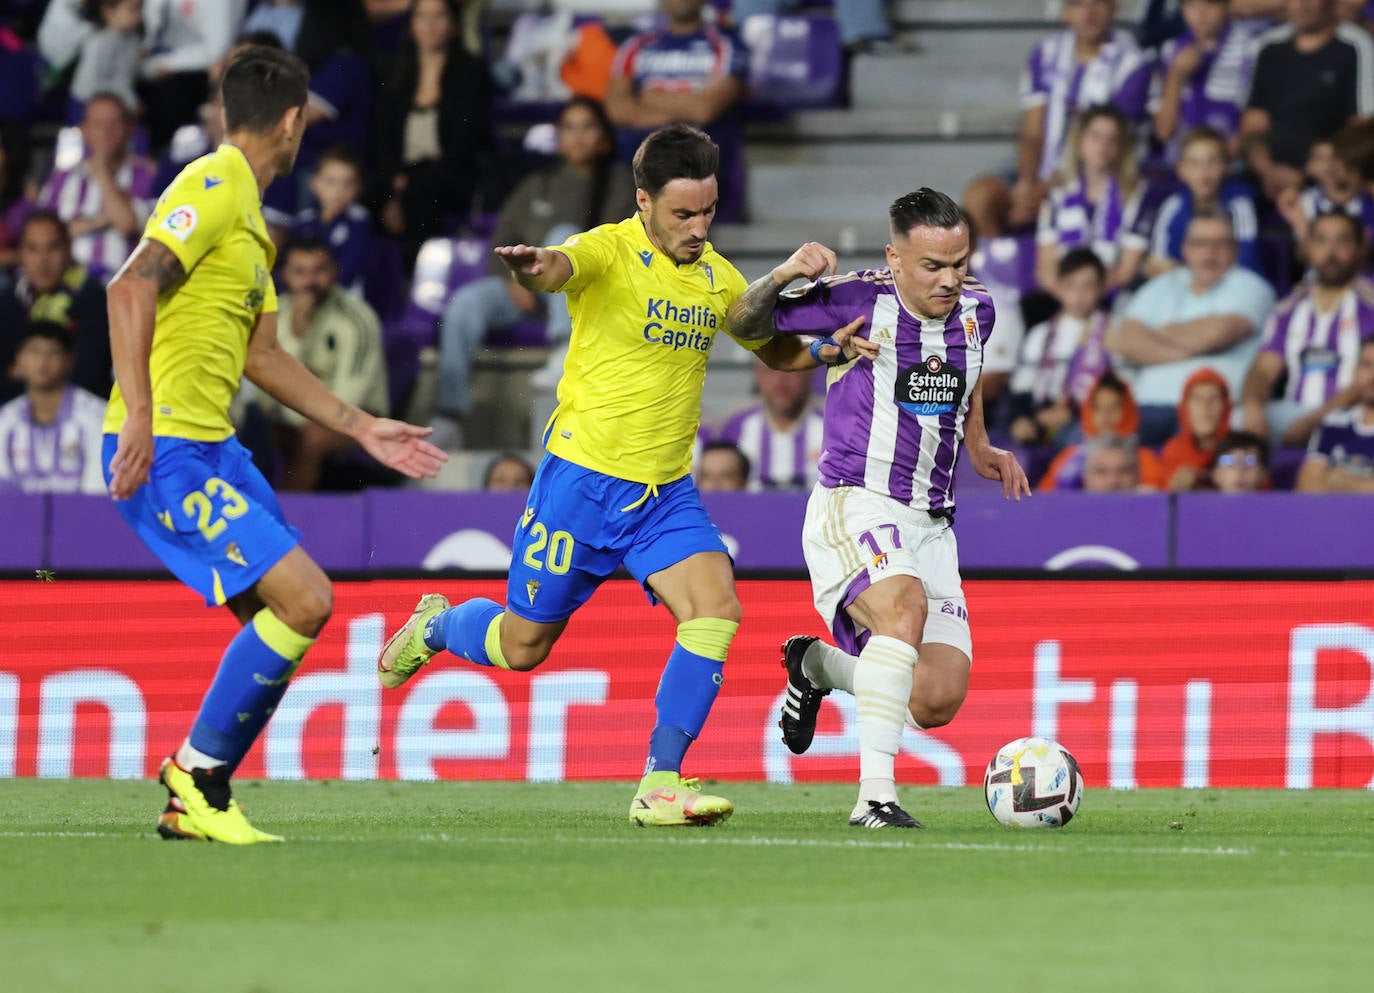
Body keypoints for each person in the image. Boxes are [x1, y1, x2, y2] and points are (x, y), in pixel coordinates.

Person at [375, 124, 865, 828]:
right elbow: (555, 269)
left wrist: (821, 350)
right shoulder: (608, 249)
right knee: (522, 647)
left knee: (717, 609)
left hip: (664, 494)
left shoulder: (716, 277)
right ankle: (439, 625)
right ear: (643, 201)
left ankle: (659, 779)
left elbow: (770, 347)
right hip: (580, 485)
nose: (698, 229)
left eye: (708, 212)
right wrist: (530, 267)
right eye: (683, 215)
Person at [102, 46, 445, 845]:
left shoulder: (252, 220)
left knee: (287, 614)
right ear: (294, 122)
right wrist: (141, 415)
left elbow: (264, 356)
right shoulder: (212, 186)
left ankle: (199, 788)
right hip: (170, 447)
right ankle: (198, 776)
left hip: (213, 447)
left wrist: (360, 424)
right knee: (307, 597)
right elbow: (129, 286)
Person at [726, 188, 1031, 829]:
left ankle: (818, 664)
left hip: (932, 522)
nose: (950, 280)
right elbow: (743, 325)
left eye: (959, 262)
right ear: (894, 258)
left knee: (937, 698)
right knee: (903, 611)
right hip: (856, 502)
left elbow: (964, 382)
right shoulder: (855, 299)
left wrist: (978, 445)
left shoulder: (980, 311)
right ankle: (874, 799)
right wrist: (783, 276)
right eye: (932, 266)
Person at [430, 97, 636, 447]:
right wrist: (515, 280)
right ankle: (448, 414)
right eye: (569, 128)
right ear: (558, 137)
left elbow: (623, 250)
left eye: (588, 127)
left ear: (603, 136)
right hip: (529, 288)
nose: (578, 136)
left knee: (562, 239)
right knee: (466, 302)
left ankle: (562, 347)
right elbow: (502, 239)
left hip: (587, 295)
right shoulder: (536, 184)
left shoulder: (621, 184)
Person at [963, 0, 1150, 233]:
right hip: (1043, 167)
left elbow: (1107, 146)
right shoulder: (1045, 53)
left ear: (1114, 7)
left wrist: (1042, 191)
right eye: (1078, 4)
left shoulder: (1133, 64)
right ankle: (996, 268)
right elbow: (1032, 132)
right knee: (980, 197)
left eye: (1098, 3)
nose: (1088, 12)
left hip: (1098, 171)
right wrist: (1026, 184)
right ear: (1065, 12)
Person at [1108, 209, 1274, 444]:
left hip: (1219, 413)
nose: (1209, 252)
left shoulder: (1252, 286)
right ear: (1185, 249)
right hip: (1148, 407)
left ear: (1236, 250)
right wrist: (1193, 348)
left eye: (1221, 244)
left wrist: (1157, 335)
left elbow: (1220, 333)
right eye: (1200, 243)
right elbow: (1125, 341)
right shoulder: (1161, 286)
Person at [259, 237, 390, 492]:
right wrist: (298, 329)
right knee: (248, 432)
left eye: (319, 271)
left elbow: (349, 397)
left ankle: (292, 518)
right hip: (291, 417)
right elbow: (264, 394)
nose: (309, 282)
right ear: (284, 274)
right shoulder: (275, 314)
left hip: (356, 417)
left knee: (311, 439)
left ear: (334, 271)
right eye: (299, 272)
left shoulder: (356, 319)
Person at [605, 0, 749, 223]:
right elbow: (618, 109)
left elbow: (705, 110)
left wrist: (649, 97)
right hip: (640, 156)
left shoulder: (726, 43)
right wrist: (683, 106)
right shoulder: (636, 45)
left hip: (698, 157)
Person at [1240, 211, 1374, 445]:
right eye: (1321, 241)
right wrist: (1251, 407)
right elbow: (1263, 369)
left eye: (1342, 241)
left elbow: (1368, 380)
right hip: (1295, 412)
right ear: (1308, 247)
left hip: (1354, 413)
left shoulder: (1370, 302)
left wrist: (1315, 420)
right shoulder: (1291, 306)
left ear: (1360, 247)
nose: (1331, 252)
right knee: (1235, 422)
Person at [373, 0, 494, 257]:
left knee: (420, 192)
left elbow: (466, 145)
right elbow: (382, 140)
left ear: (454, 25)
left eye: (438, 16)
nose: (429, 25)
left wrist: (407, 180)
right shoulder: (394, 73)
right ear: (412, 24)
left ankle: (417, 279)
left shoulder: (471, 73)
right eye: (422, 17)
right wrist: (395, 180)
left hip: (449, 175)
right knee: (364, 193)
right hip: (401, 176)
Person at [1240, 0, 1374, 205]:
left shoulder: (1355, 44)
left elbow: (1363, 126)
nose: (1302, 4)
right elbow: (1253, 128)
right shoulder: (1269, 47)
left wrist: (1310, 173)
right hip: (1267, 179)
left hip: (1332, 179)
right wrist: (1268, 171)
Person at [37, 92, 156, 284]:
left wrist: (102, 172)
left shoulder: (145, 175)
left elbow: (127, 224)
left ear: (128, 129)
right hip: (67, 281)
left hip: (123, 283)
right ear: (85, 130)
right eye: (98, 125)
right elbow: (44, 233)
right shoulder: (62, 177)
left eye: (114, 124)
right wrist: (102, 220)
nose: (106, 132)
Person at [1035, 104, 1151, 298]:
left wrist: (1086, 296)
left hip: (1113, 298)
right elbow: (1046, 270)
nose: (1103, 146)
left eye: (1112, 139)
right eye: (1095, 137)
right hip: (1063, 298)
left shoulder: (1136, 196)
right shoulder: (1056, 196)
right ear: (1080, 141)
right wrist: (1072, 298)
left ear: (1122, 147)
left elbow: (1126, 271)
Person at [0, 211, 112, 404]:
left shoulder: (92, 297)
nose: (43, 260)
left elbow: (89, 375)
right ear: (21, 254)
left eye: (52, 248)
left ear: (69, 249)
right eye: (32, 249)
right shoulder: (8, 300)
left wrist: (26, 373)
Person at [1007, 248, 1111, 447]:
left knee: (1075, 436)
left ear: (1101, 289)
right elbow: (1021, 387)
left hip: (1085, 417)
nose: (1079, 295)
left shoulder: (1111, 333)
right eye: (1071, 286)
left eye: (1088, 286)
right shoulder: (1041, 333)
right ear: (1060, 288)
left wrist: (1072, 412)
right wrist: (1021, 419)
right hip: (1040, 414)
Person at [0, 320, 107, 495]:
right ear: (18, 359)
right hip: (14, 520)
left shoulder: (98, 417)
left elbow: (98, 494)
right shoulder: (4, 421)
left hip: (84, 519)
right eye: (35, 352)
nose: (43, 362)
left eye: (53, 352)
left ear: (70, 360)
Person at [1151, 0, 1258, 163]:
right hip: (1180, 165)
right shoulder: (1170, 50)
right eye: (1191, 4)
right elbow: (1163, 132)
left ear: (1227, 6)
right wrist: (1176, 77)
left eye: (1210, 3)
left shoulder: (1250, 50)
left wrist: (1214, 162)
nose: (1200, 13)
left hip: (1229, 164)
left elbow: (1252, 124)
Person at [1146, 126, 1261, 276]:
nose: (1204, 172)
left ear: (1226, 166)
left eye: (1212, 162)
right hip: (1183, 292)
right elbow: (1157, 262)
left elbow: (1245, 263)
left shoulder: (1239, 206)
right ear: (1181, 170)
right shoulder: (1172, 207)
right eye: (1194, 163)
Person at [1039, 370, 1166, 489]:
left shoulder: (1145, 460)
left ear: (1128, 411)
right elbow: (1045, 501)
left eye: (1114, 407)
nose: (1106, 415)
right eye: (1098, 408)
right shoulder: (1069, 458)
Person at [715, 362, 824, 490]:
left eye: (791, 369)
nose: (780, 380)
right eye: (770, 370)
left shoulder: (833, 425)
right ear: (757, 375)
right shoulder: (736, 427)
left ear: (809, 373)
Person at [290, 145, 373, 294]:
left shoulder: (359, 221)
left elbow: (348, 270)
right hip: (304, 293)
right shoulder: (304, 220)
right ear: (314, 183)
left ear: (358, 188)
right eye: (331, 182)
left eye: (348, 183)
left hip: (343, 299)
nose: (339, 190)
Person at [1296, 336, 1374, 490]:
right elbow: (1306, 485)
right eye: (1366, 365)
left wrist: (1338, 480)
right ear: (1356, 370)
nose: (1373, 375)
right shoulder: (1334, 422)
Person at [1159, 367, 1232, 491]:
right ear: (1185, 408)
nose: (1205, 407)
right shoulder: (1174, 450)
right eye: (1197, 399)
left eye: (1214, 398)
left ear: (1226, 407)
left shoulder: (1240, 448)